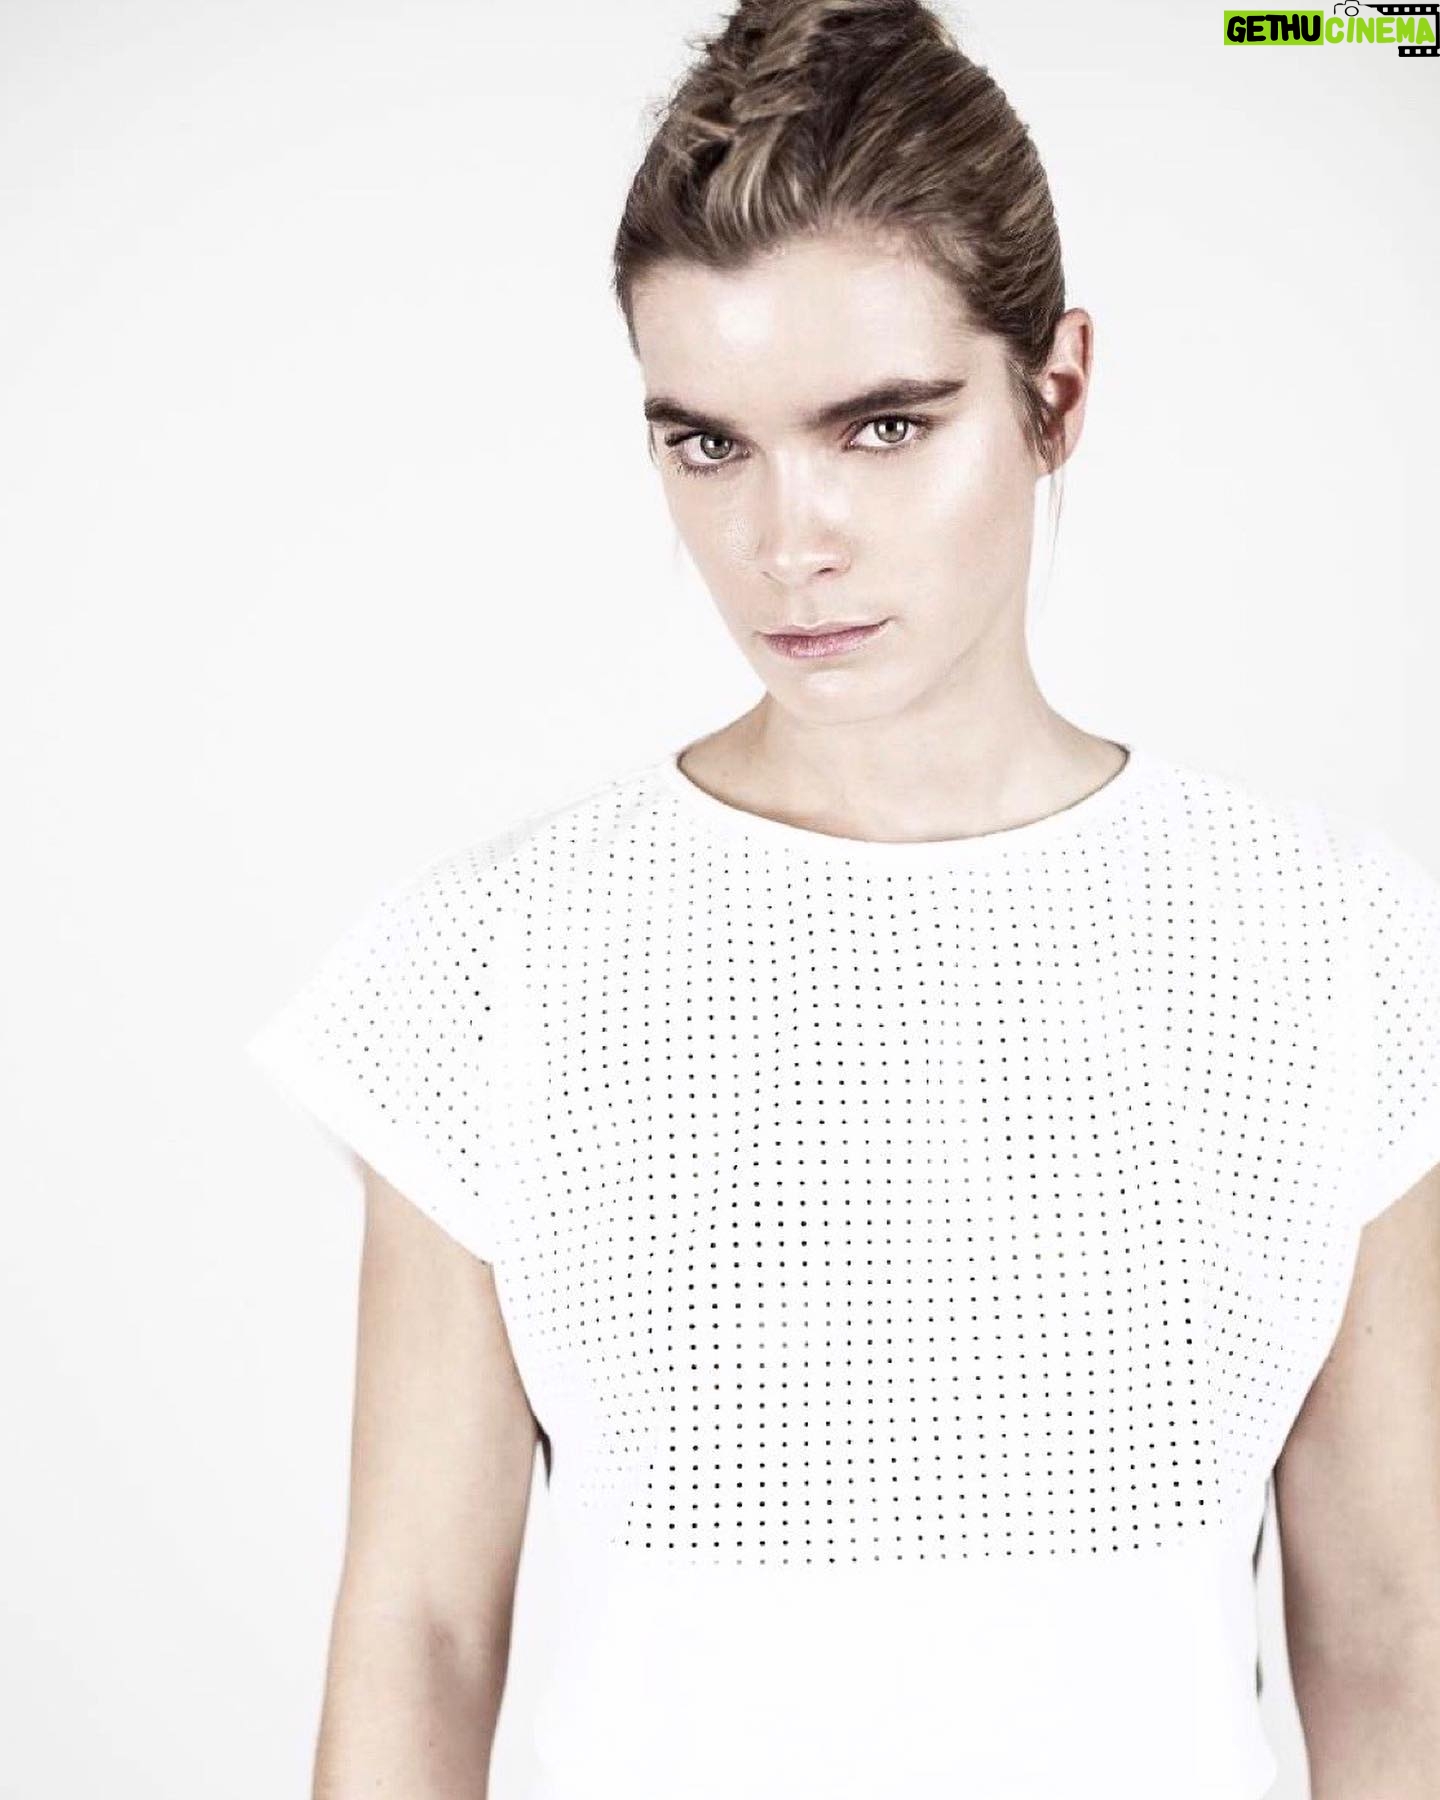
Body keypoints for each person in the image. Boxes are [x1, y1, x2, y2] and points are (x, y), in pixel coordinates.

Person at [246, 1, 1440, 1795]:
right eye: (707, 443)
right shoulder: (492, 963)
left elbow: (1395, 1639)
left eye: (880, 426)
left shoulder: (1327, 945)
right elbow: (420, 1635)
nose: (785, 542)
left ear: (1056, 394)